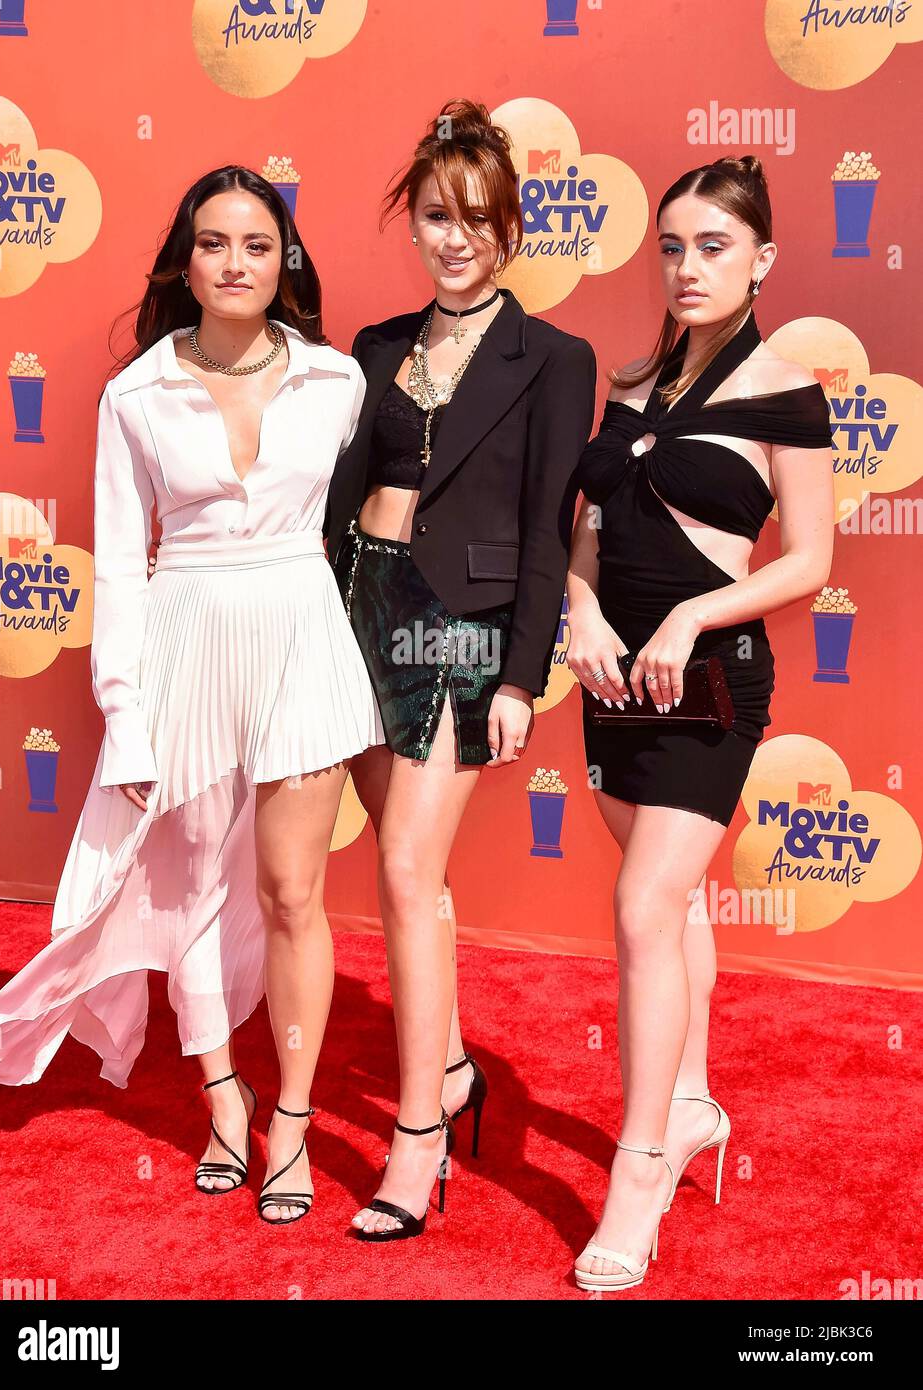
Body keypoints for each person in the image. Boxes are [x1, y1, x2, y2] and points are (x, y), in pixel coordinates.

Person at [0, 166, 384, 1224]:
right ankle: (222, 1098)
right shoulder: (136, 394)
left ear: (284, 259)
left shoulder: (337, 383)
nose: (237, 262)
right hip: (185, 640)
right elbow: (118, 560)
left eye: (258, 243)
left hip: (300, 631)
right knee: (194, 882)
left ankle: (289, 1116)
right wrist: (126, 705)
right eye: (215, 243)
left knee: (293, 891)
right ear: (184, 261)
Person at [323, 99, 598, 1241]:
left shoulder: (556, 359)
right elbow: (336, 498)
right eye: (437, 215)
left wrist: (520, 677)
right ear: (414, 219)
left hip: (463, 629)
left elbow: (544, 527)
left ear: (511, 230)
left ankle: (418, 1136)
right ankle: (450, 1068)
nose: (455, 239)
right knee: (409, 879)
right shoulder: (375, 348)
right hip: (357, 609)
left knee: (401, 863)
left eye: (478, 219)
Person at [566, 155, 834, 1291]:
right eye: (671, 245)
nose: (686, 266)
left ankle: (637, 1172)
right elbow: (584, 530)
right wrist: (576, 610)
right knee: (667, 910)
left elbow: (810, 562)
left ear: (761, 259)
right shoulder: (627, 381)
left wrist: (686, 612)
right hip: (608, 685)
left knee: (640, 907)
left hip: (710, 686)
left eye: (713, 246)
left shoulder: (785, 389)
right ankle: (689, 1106)